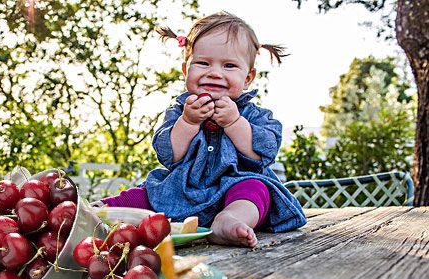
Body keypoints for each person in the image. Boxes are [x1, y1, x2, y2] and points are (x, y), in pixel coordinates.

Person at [98, 11, 307, 247]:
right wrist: (188, 122)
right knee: (148, 191)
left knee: (256, 189)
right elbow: (169, 155)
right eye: (203, 63)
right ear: (186, 70)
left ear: (248, 77)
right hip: (182, 190)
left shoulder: (254, 115)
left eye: (229, 65)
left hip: (233, 189)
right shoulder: (180, 111)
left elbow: (262, 153)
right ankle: (101, 210)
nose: (215, 72)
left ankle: (228, 222)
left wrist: (234, 122)